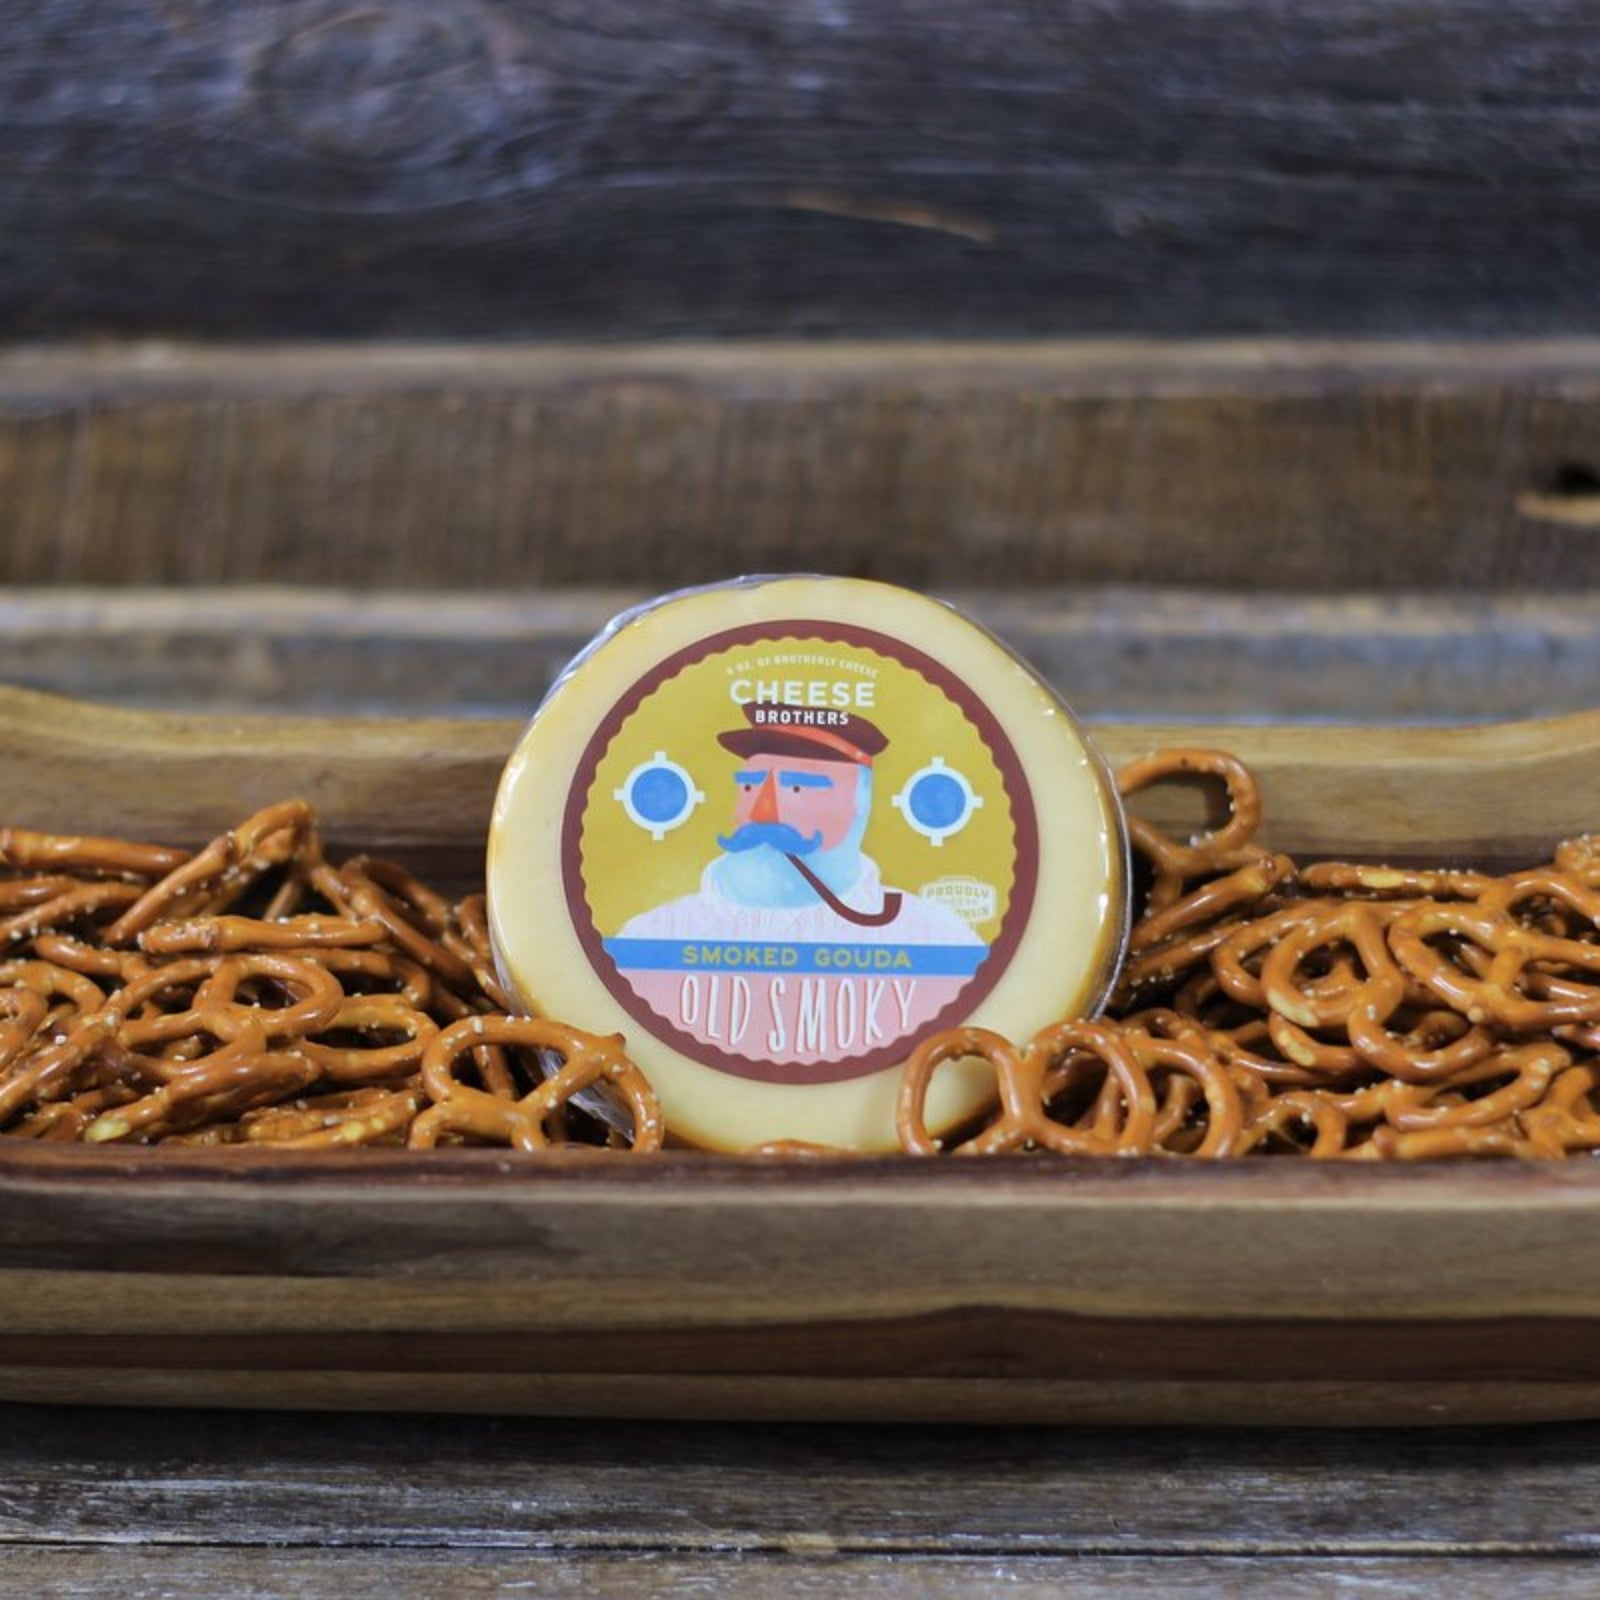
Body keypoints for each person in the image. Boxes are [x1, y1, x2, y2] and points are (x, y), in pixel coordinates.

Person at [617, 702, 982, 946]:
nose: (764, 811)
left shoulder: (935, 936)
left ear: (860, 800)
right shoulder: (652, 934)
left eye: (797, 787)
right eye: (750, 785)